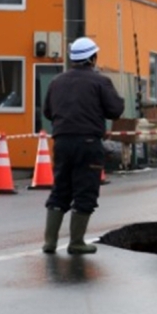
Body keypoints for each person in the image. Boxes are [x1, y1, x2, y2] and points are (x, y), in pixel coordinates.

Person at [41, 37, 125, 255]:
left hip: (61, 142)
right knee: (85, 190)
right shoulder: (100, 82)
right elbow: (115, 110)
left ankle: (50, 242)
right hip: (88, 143)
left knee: (60, 188)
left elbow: (48, 112)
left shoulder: (57, 82)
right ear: (92, 58)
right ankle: (76, 242)